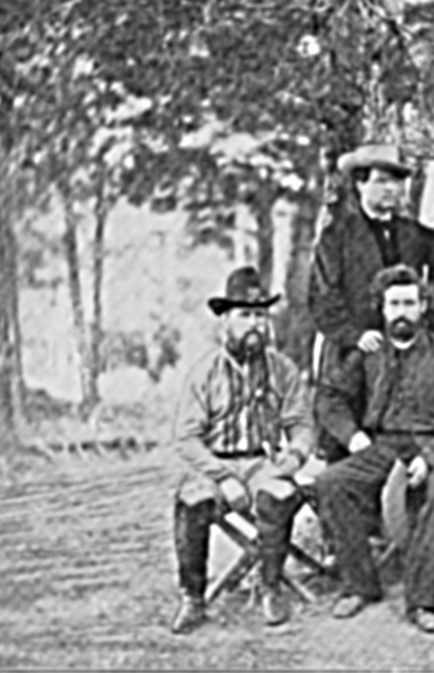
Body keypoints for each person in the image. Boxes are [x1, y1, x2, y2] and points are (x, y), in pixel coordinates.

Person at [314, 264, 434, 634]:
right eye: (394, 304)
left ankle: (423, 600)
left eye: (410, 303)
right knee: (331, 482)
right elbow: (329, 398)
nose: (402, 312)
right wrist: (353, 437)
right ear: (382, 308)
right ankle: (360, 584)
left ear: (423, 306)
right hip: (382, 446)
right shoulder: (370, 352)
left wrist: (431, 457)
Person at [170, 267, 316, 634]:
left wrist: (294, 456)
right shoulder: (205, 373)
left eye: (260, 316)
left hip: (263, 463)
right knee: (191, 504)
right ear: (226, 321)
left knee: (280, 496)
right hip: (215, 465)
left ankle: (270, 586)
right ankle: (193, 598)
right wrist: (223, 477)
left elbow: (301, 424)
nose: (254, 324)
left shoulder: (282, 370)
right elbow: (186, 437)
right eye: (245, 315)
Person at [308, 144, 434, 408]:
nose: (391, 189)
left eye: (397, 182)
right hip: (351, 352)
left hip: (403, 351)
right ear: (360, 185)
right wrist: (354, 335)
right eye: (381, 181)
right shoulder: (337, 236)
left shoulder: (414, 235)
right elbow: (323, 295)